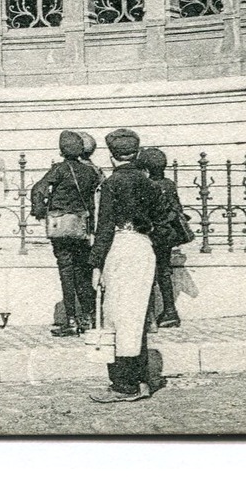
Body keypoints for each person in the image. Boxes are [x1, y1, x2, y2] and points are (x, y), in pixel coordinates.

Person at [87, 128, 164, 401]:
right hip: (144, 247)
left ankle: (124, 385)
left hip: (120, 247)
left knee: (118, 316)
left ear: (111, 156)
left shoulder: (111, 184)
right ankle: (142, 380)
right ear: (137, 153)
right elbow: (161, 222)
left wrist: (96, 263)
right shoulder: (150, 184)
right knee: (138, 315)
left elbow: (104, 226)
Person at [29, 130, 102, 336]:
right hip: (82, 226)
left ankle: (70, 319)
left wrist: (40, 211)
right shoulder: (91, 172)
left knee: (66, 272)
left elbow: (39, 189)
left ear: (62, 151)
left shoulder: (59, 169)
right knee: (83, 271)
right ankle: (88, 317)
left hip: (60, 227)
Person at [137, 146, 186, 329]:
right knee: (164, 271)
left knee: (147, 274)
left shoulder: (147, 186)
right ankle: (170, 311)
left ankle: (148, 316)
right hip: (166, 235)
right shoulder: (169, 184)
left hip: (150, 234)